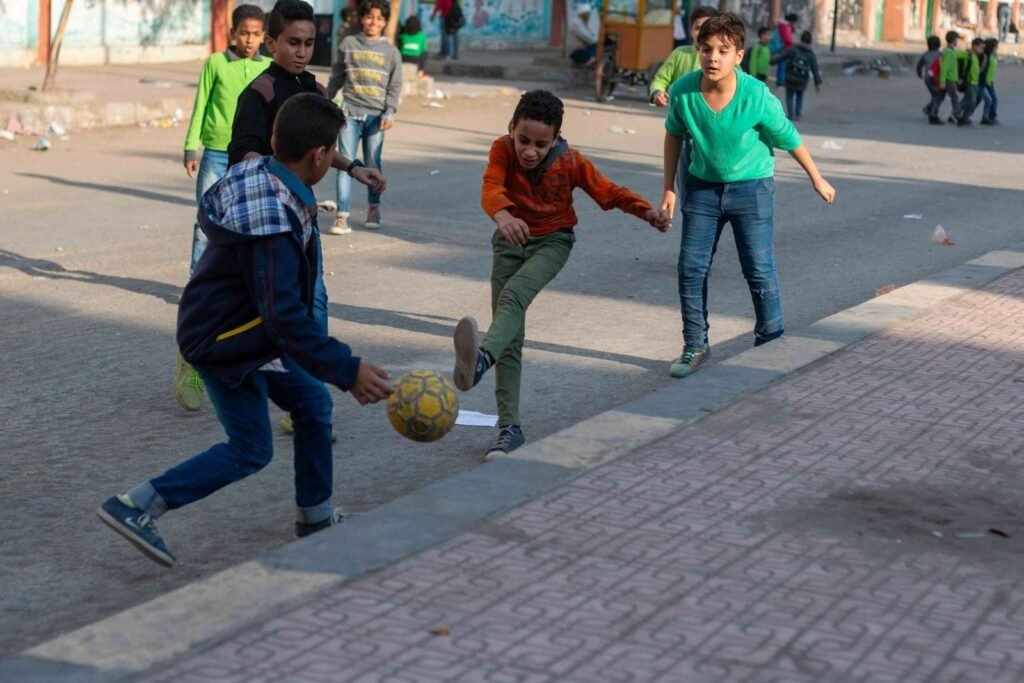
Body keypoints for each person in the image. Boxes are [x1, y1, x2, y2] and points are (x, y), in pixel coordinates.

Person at [97, 94, 394, 567]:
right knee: (251, 448)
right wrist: (348, 368)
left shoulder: (260, 174)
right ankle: (137, 505)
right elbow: (285, 317)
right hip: (225, 341)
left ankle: (315, 517)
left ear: (275, 139)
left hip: (250, 331)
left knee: (313, 406)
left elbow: (277, 315)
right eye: (331, 151)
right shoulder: (271, 226)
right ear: (319, 156)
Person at [451, 90, 671, 460]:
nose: (529, 151)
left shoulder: (570, 162)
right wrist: (504, 215)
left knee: (513, 297)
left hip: (553, 242)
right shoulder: (502, 150)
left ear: (556, 139)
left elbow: (608, 192)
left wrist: (646, 211)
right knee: (511, 337)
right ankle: (510, 429)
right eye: (523, 140)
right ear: (511, 130)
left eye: (540, 143)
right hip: (508, 240)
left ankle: (480, 361)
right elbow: (491, 186)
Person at [227, 0, 387, 437]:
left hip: (302, 220)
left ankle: (306, 402)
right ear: (271, 42)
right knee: (261, 307)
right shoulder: (259, 93)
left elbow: (321, 146)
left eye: (309, 43)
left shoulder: (314, 91)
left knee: (313, 303)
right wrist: (282, 182)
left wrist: (354, 168)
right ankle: (213, 359)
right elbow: (243, 153)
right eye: (293, 42)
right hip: (267, 224)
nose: (301, 50)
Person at [660, 13, 835, 378]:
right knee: (691, 269)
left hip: (752, 189)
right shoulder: (683, 92)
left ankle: (771, 344)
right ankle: (695, 345)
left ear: (739, 56)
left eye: (723, 51)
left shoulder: (757, 96)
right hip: (702, 190)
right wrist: (669, 189)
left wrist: (817, 178)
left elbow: (789, 138)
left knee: (758, 269)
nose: (713, 58)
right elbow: (674, 135)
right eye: (706, 49)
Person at [176, 5, 269, 413]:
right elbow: (201, 104)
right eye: (243, 33)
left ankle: (298, 400)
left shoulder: (269, 67)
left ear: (264, 36)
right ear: (232, 34)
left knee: (246, 230)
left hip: (252, 155)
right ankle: (199, 280)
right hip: (216, 151)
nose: (249, 40)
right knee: (206, 224)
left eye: (255, 34)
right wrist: (190, 144)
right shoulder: (216, 63)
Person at [326, 0, 402, 233]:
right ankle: (342, 215)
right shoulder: (348, 44)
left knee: (372, 164)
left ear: (385, 22)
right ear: (361, 18)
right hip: (349, 113)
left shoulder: (391, 51)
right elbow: (337, 76)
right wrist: (325, 101)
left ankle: (373, 207)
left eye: (379, 19)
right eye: (369, 17)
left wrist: (390, 111)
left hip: (376, 118)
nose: (373, 22)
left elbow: (395, 85)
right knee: (345, 164)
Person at [649, 5, 719, 200]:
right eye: (698, 27)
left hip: (716, 134)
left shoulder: (724, 58)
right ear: (690, 30)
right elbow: (660, 78)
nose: (702, 33)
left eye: (708, 27)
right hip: (686, 133)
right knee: (688, 192)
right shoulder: (680, 54)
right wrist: (657, 91)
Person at [771, 30, 822, 121]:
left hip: (790, 77)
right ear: (810, 41)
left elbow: (781, 57)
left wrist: (771, 61)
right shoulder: (811, 54)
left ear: (801, 39)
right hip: (802, 80)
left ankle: (791, 114)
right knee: (799, 95)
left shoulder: (793, 49)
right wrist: (817, 83)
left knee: (789, 96)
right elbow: (815, 69)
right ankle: (798, 114)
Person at [933, 31, 962, 125]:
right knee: (954, 98)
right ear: (954, 40)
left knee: (939, 97)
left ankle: (933, 114)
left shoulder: (950, 51)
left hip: (947, 79)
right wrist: (942, 81)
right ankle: (958, 116)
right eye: (957, 39)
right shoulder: (949, 52)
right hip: (949, 79)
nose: (958, 41)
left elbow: (959, 54)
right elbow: (944, 68)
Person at [957, 38, 984, 126]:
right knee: (972, 101)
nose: (982, 50)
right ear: (974, 46)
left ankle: (964, 116)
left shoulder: (976, 56)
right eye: (981, 47)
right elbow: (955, 54)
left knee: (969, 99)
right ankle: (957, 112)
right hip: (969, 81)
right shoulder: (967, 54)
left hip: (975, 82)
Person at [917, 35, 943, 125]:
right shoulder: (940, 54)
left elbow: (919, 65)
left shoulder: (926, 54)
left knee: (935, 95)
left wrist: (919, 74)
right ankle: (932, 113)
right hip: (935, 79)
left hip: (927, 79)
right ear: (939, 44)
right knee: (937, 96)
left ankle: (928, 109)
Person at [774, 13, 798, 87]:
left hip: (785, 47)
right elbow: (788, 39)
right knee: (782, 65)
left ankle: (781, 81)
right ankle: (780, 82)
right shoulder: (785, 27)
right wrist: (794, 43)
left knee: (783, 65)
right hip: (785, 48)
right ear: (793, 21)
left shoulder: (786, 26)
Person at [980, 38, 999, 125]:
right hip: (986, 82)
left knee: (979, 99)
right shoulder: (987, 58)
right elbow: (984, 71)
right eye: (996, 48)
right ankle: (990, 117)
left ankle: (988, 117)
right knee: (992, 99)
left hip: (989, 81)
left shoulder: (992, 57)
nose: (997, 50)